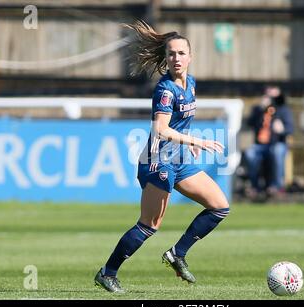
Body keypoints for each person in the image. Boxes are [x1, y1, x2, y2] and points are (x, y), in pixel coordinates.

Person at [94, 21, 230, 293]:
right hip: (158, 161)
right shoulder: (165, 89)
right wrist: (197, 141)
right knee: (149, 225)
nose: (176, 58)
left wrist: (187, 142)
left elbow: (180, 122)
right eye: (171, 54)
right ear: (166, 58)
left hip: (179, 159)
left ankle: (177, 254)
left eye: (181, 53)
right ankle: (107, 273)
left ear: (190, 57)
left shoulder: (190, 83)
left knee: (219, 206)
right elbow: (160, 128)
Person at [244, 86, 294, 198]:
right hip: (260, 145)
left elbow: (290, 129)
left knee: (277, 151)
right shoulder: (258, 109)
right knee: (250, 153)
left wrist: (282, 130)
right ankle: (254, 187)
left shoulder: (283, 110)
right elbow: (249, 123)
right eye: (268, 95)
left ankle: (276, 187)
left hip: (277, 143)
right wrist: (260, 110)